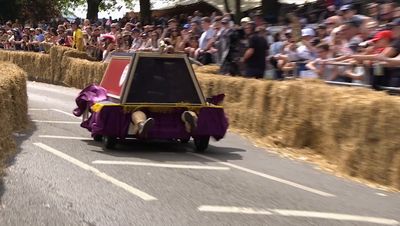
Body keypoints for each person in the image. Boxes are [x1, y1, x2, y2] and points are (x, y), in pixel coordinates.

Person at [130, 110, 198, 137]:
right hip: (176, 106)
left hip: (145, 104)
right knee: (186, 112)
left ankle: (141, 125)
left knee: (138, 112)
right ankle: (192, 120)